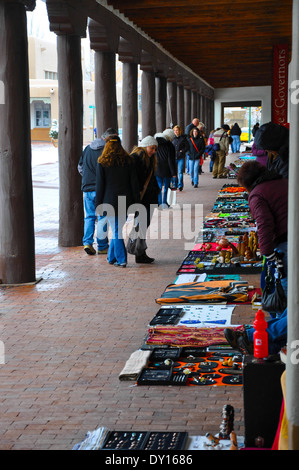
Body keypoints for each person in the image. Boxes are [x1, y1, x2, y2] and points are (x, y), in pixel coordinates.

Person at [237, 160, 288, 297]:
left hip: (285, 241)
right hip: (290, 234)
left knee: (282, 292)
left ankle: (282, 317)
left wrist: (268, 253)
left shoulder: (257, 194)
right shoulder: (283, 182)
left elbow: (264, 223)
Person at [95, 136, 140, 268]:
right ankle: (111, 257)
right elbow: (134, 184)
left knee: (116, 231)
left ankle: (121, 259)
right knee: (117, 229)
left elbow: (100, 186)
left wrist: (98, 204)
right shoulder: (128, 161)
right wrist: (136, 202)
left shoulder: (102, 162)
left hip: (109, 201)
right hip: (125, 201)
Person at [78, 128, 118, 255]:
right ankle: (102, 246)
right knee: (102, 217)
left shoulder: (87, 149)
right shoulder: (107, 150)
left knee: (89, 217)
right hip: (101, 189)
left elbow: (80, 167)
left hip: (87, 189)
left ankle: (87, 243)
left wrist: (87, 178)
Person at [130, 135, 160, 264]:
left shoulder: (149, 158)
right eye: (151, 148)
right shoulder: (136, 159)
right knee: (140, 226)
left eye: (154, 149)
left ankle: (140, 252)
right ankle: (138, 252)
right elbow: (134, 180)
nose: (153, 151)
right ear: (144, 146)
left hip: (149, 197)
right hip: (142, 199)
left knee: (142, 225)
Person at [154, 129, 177, 208]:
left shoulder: (156, 143)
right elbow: (171, 160)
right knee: (167, 187)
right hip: (167, 170)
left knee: (159, 187)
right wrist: (174, 173)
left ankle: (159, 203)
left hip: (157, 168)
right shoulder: (170, 145)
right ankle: (165, 203)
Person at [172, 125, 190, 191]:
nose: (176, 132)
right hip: (174, 157)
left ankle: (180, 185)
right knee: (174, 172)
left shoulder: (183, 138)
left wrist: (182, 151)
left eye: (177, 130)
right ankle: (175, 184)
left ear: (179, 131)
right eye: (175, 130)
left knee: (180, 172)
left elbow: (187, 146)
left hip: (181, 157)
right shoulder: (172, 139)